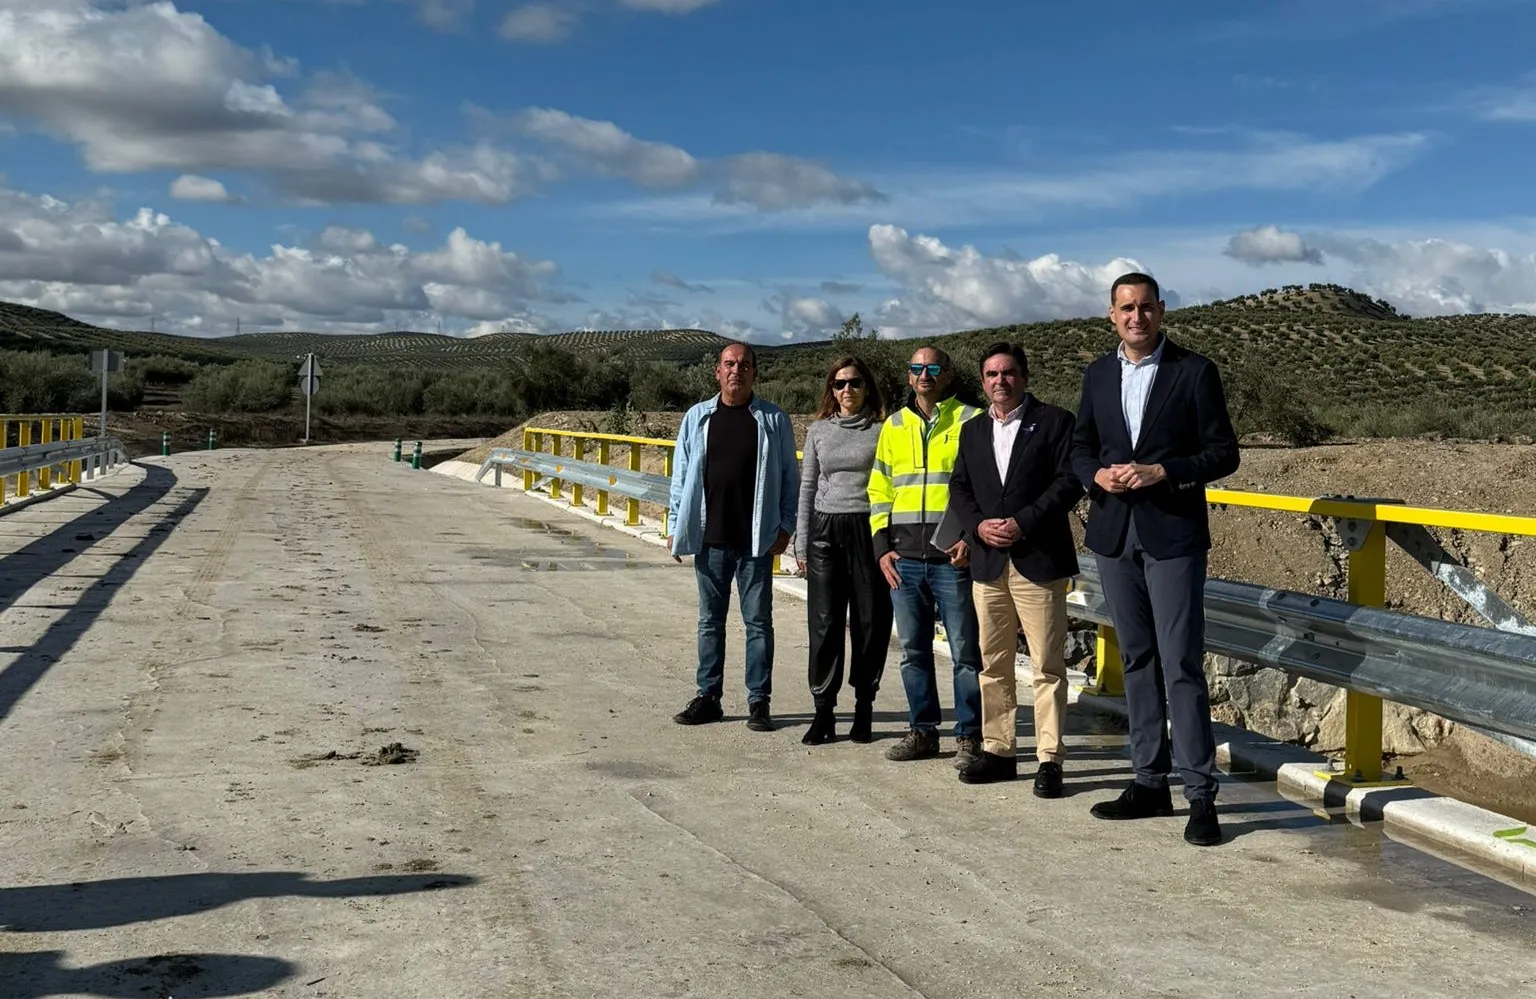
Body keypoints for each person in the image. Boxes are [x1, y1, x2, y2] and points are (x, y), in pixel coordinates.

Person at [1071, 272, 1240, 846]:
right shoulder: (1097, 375)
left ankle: (1201, 795)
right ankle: (1149, 782)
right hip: (1116, 534)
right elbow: (1079, 448)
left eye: (1145, 307)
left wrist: (1163, 471)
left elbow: (1223, 452)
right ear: (1111, 314)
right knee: (1136, 658)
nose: (1136, 317)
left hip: (1172, 534)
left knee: (1180, 663)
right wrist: (1094, 474)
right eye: (1126, 308)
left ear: (1161, 311)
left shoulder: (1194, 371)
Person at [947, 342, 1083, 795]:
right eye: (991, 374)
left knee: (1046, 665)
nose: (999, 381)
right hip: (988, 564)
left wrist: (1023, 523)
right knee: (994, 663)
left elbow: (1069, 482)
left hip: (1037, 560)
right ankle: (999, 750)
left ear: (1023, 377)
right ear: (982, 381)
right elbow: (960, 488)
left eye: (1008, 373)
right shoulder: (971, 431)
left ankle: (1049, 758)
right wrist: (978, 527)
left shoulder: (1055, 423)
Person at [668, 342, 799, 732]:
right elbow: (680, 476)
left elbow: (791, 479)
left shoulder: (773, 419)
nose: (736, 371)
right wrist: (676, 524)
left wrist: (787, 526)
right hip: (711, 537)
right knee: (710, 622)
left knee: (758, 622)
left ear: (754, 373)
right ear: (717, 372)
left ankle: (759, 702)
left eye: (744, 365)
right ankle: (709, 697)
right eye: (729, 364)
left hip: (757, 540)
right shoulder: (697, 418)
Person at [868, 346, 983, 766]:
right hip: (904, 560)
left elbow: (984, 487)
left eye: (932, 367)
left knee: (965, 652)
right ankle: (923, 732)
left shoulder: (971, 420)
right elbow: (878, 490)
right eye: (917, 368)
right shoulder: (893, 426)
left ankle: (970, 735)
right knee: (914, 652)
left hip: (952, 558)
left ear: (947, 374)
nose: (924, 374)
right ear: (908, 375)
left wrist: (971, 537)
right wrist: (882, 548)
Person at [794, 356, 892, 745]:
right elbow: (807, 486)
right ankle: (823, 712)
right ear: (830, 391)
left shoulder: (884, 430)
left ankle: (864, 709)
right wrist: (802, 542)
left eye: (853, 383)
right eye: (839, 384)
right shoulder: (818, 431)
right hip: (824, 529)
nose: (846, 390)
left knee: (870, 621)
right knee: (824, 623)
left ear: (866, 387)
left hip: (868, 528)